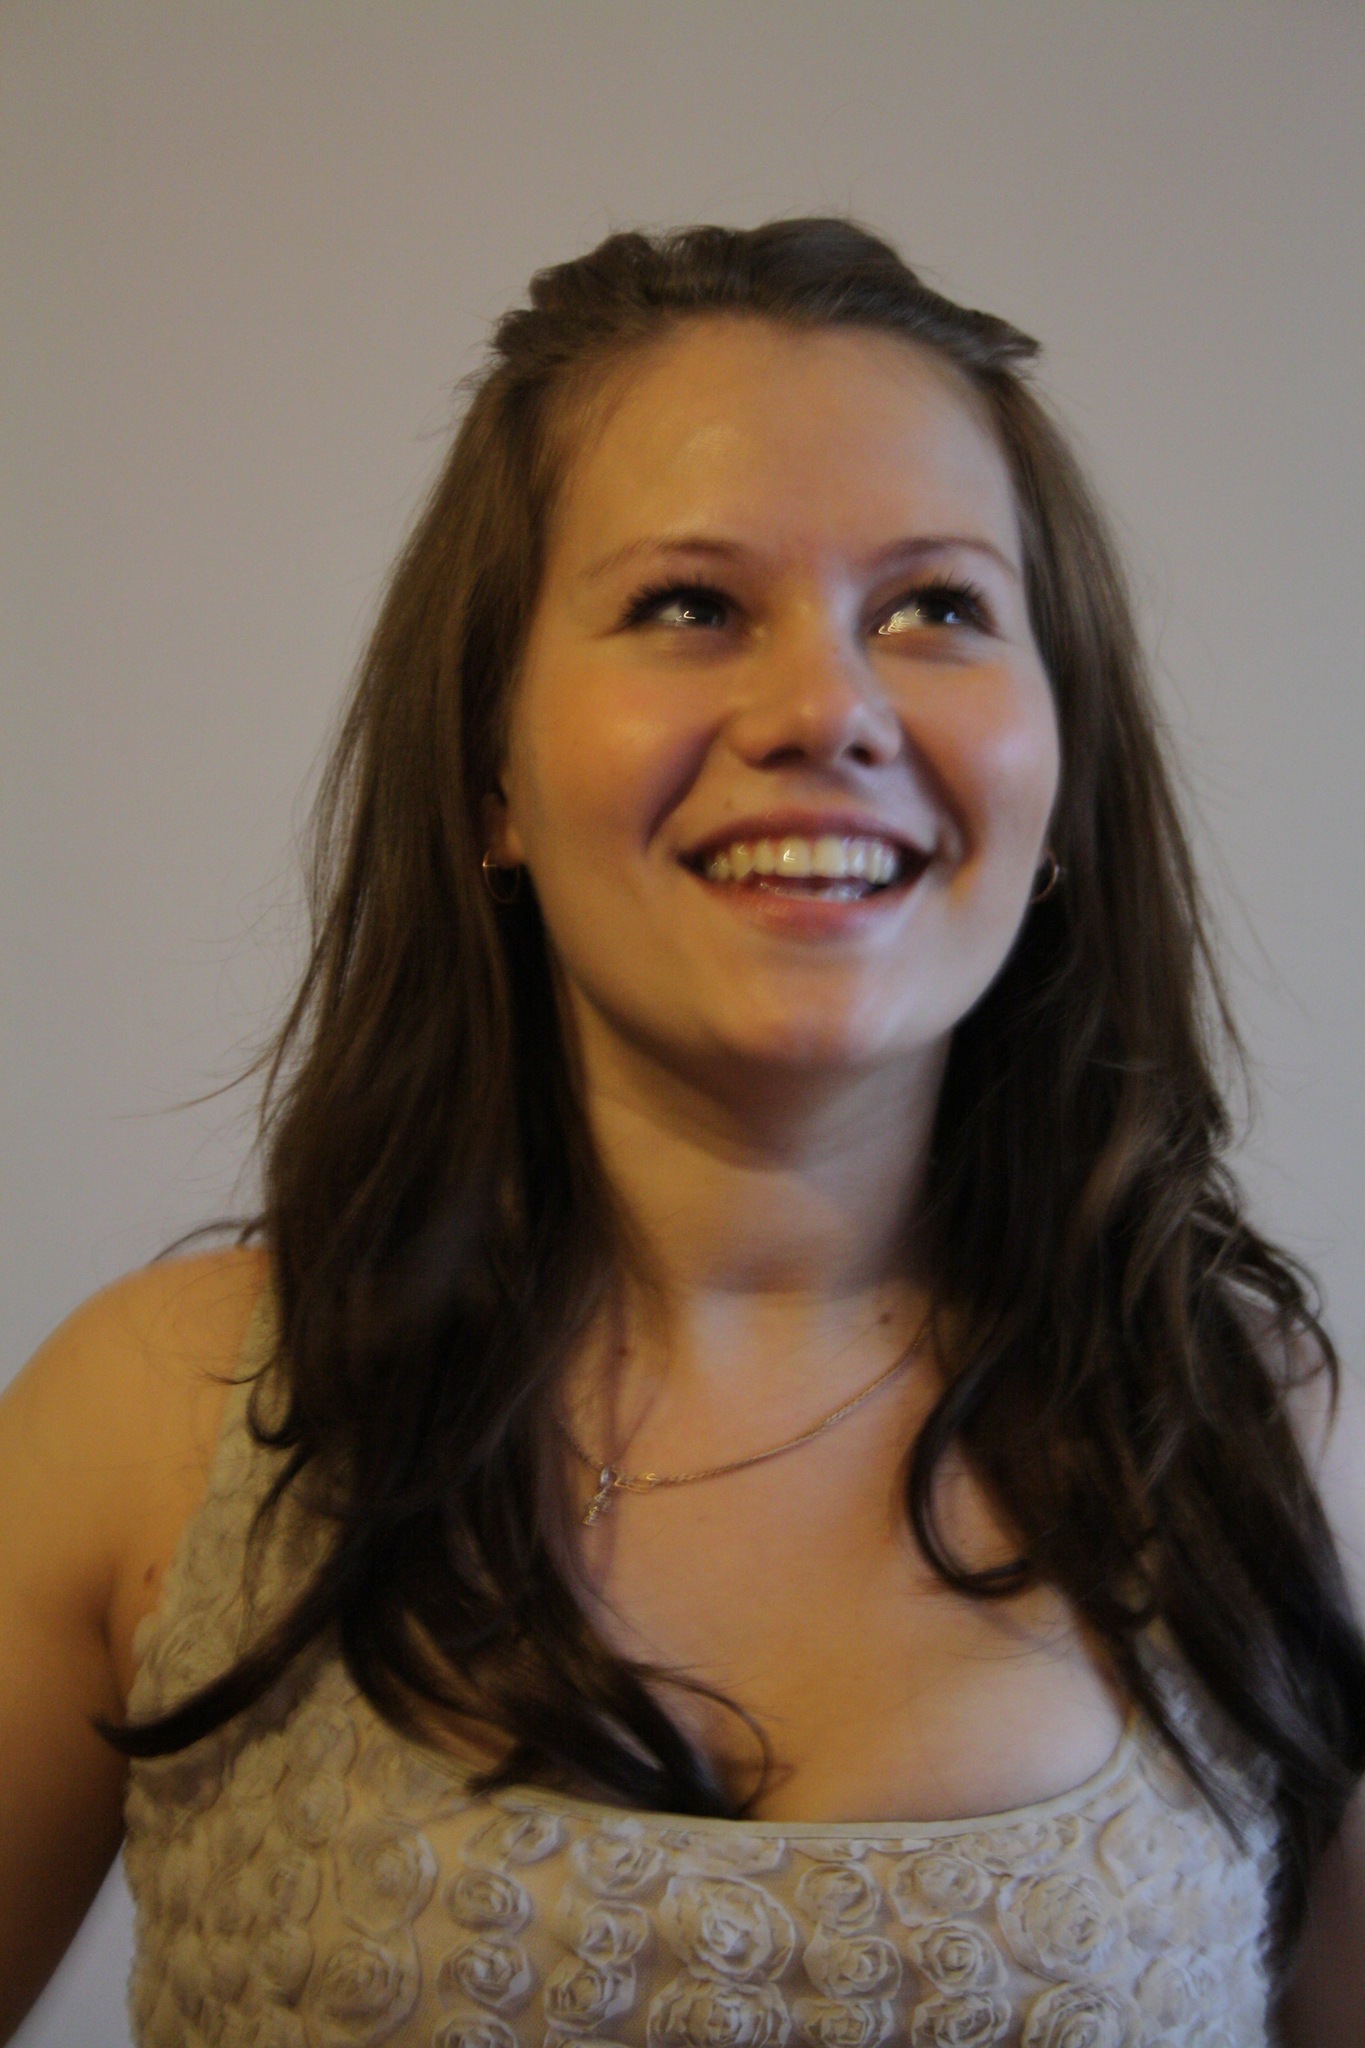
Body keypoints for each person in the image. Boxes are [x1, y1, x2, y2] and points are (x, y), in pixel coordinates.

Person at [1, 219, 1361, 2048]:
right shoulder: (151, 1423)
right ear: (489, 770)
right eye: (688, 606)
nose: (828, 711)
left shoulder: (1268, 1453)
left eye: (935, 607)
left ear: (1062, 780)